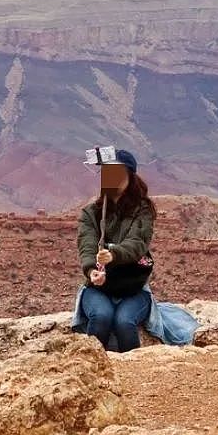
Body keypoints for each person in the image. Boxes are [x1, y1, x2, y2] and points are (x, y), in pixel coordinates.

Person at [74, 148, 157, 352]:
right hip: (99, 288)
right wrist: (91, 269)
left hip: (132, 287)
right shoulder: (91, 213)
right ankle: (93, 368)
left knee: (124, 322)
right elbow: (87, 242)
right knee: (101, 317)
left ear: (130, 177)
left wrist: (114, 254)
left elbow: (138, 242)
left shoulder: (143, 210)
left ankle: (132, 373)